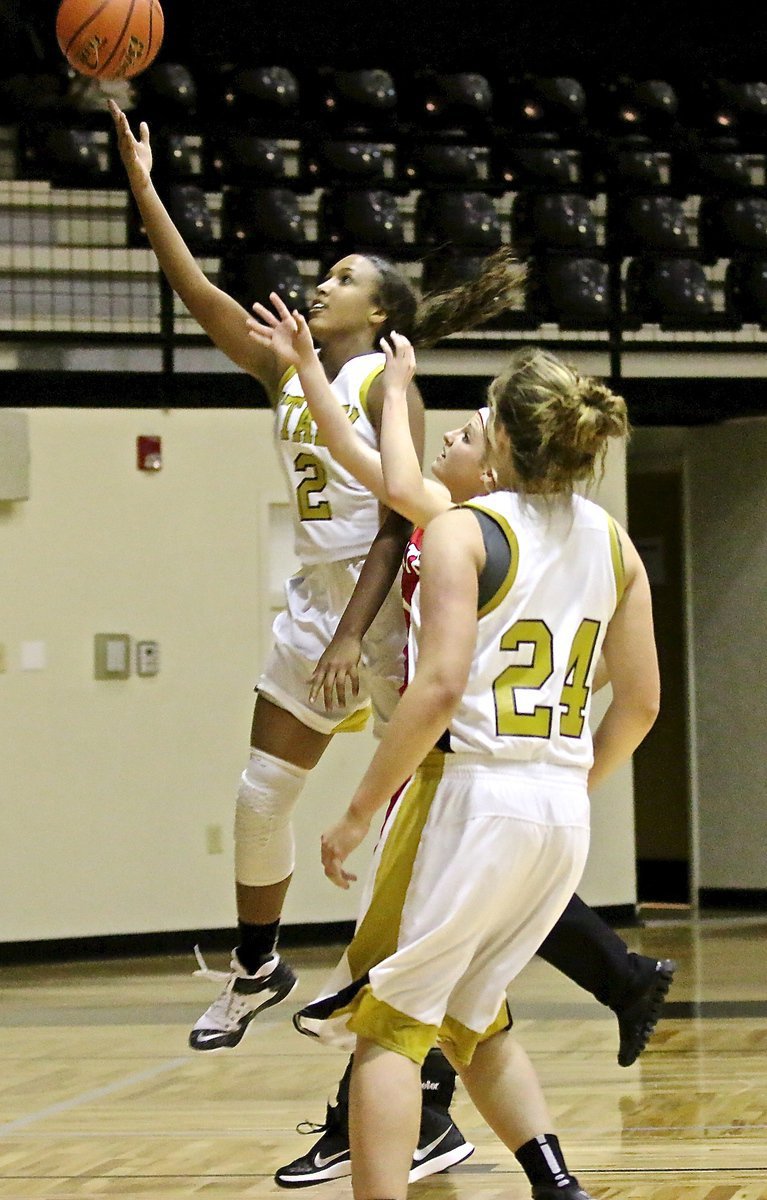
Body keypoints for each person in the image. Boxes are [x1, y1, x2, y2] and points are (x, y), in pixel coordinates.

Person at [107, 102, 528, 1067]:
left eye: (344, 278)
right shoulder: (289, 370)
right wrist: (143, 185)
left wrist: (351, 633)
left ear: (379, 314)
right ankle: (258, 966)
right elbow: (198, 291)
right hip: (314, 598)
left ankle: (426, 976)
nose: (321, 282)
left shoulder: (387, 381)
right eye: (326, 271)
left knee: (426, 803)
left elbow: (397, 513)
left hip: (384, 608)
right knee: (261, 795)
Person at [246, 304, 671, 1191]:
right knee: (472, 1014)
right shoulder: (614, 543)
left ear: (503, 445)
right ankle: (558, 1184)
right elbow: (637, 704)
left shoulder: (459, 531)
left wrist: (359, 810)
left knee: (389, 1027)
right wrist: (570, 782)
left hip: (473, 793)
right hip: (558, 808)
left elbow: (436, 690)